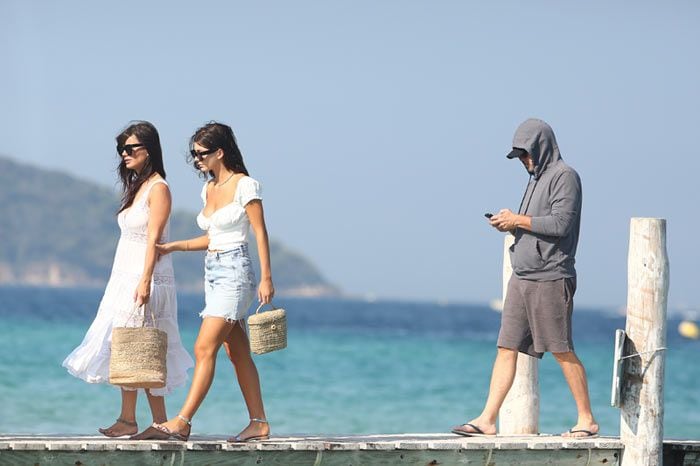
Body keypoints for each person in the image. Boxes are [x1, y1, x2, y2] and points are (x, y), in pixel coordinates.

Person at [452, 118, 599, 438]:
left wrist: (517, 219)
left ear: (542, 147)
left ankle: (586, 419)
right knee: (506, 346)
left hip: (550, 277)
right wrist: (510, 223)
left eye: (526, 154)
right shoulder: (535, 178)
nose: (523, 161)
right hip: (522, 276)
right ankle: (487, 419)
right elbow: (536, 222)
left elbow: (560, 224)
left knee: (561, 348)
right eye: (519, 156)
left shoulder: (565, 177)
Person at [138, 121, 274, 442]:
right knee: (236, 353)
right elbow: (212, 236)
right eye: (194, 154)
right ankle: (259, 423)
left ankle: (182, 421)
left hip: (237, 273)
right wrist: (173, 246)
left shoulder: (246, 186)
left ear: (220, 152)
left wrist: (266, 278)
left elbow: (259, 232)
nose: (197, 160)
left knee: (203, 347)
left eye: (201, 154)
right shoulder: (209, 188)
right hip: (213, 274)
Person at [62, 121, 193, 438]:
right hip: (125, 276)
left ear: (149, 150)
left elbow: (154, 240)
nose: (124, 154)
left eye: (131, 148)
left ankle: (161, 423)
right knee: (126, 346)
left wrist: (145, 279)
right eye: (122, 149)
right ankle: (127, 419)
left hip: (146, 278)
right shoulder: (138, 187)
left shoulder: (159, 188)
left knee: (147, 349)